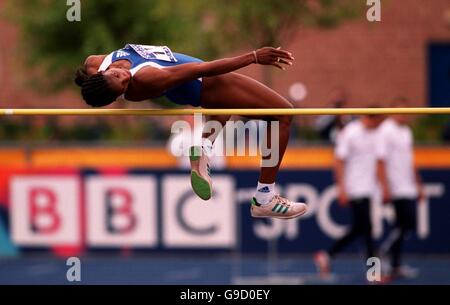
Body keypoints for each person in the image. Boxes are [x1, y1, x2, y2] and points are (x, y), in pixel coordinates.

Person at [75, 44, 307, 219]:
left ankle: (204, 148)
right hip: (204, 83)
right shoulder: (145, 77)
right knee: (283, 114)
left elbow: (90, 74)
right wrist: (254, 57)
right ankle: (264, 197)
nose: (124, 77)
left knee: (227, 109)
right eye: (123, 86)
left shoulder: (94, 63)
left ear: (99, 74)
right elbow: (203, 68)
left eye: (117, 76)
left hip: (194, 83)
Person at [314, 112, 383, 275]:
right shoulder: (351, 132)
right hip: (355, 188)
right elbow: (338, 160)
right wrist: (342, 188)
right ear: (371, 117)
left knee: (359, 229)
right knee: (366, 230)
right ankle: (374, 272)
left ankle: (327, 256)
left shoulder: (375, 134)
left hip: (368, 188)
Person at [376, 98, 424, 280]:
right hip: (396, 187)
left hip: (408, 186)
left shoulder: (406, 132)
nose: (403, 115)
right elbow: (380, 161)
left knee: (404, 226)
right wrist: (385, 187)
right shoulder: (385, 130)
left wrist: (418, 185)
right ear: (392, 111)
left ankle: (395, 264)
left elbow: (410, 162)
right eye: (400, 111)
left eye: (406, 111)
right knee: (405, 224)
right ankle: (385, 251)